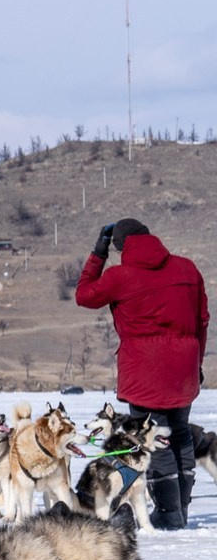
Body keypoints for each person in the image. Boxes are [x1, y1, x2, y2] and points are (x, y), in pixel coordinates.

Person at [76, 216, 208, 530]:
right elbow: (202, 319)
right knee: (179, 435)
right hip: (184, 368)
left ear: (120, 247)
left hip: (145, 370)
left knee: (152, 437)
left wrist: (98, 254)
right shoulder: (187, 269)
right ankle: (181, 509)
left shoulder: (120, 275)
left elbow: (84, 296)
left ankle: (169, 512)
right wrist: (196, 362)